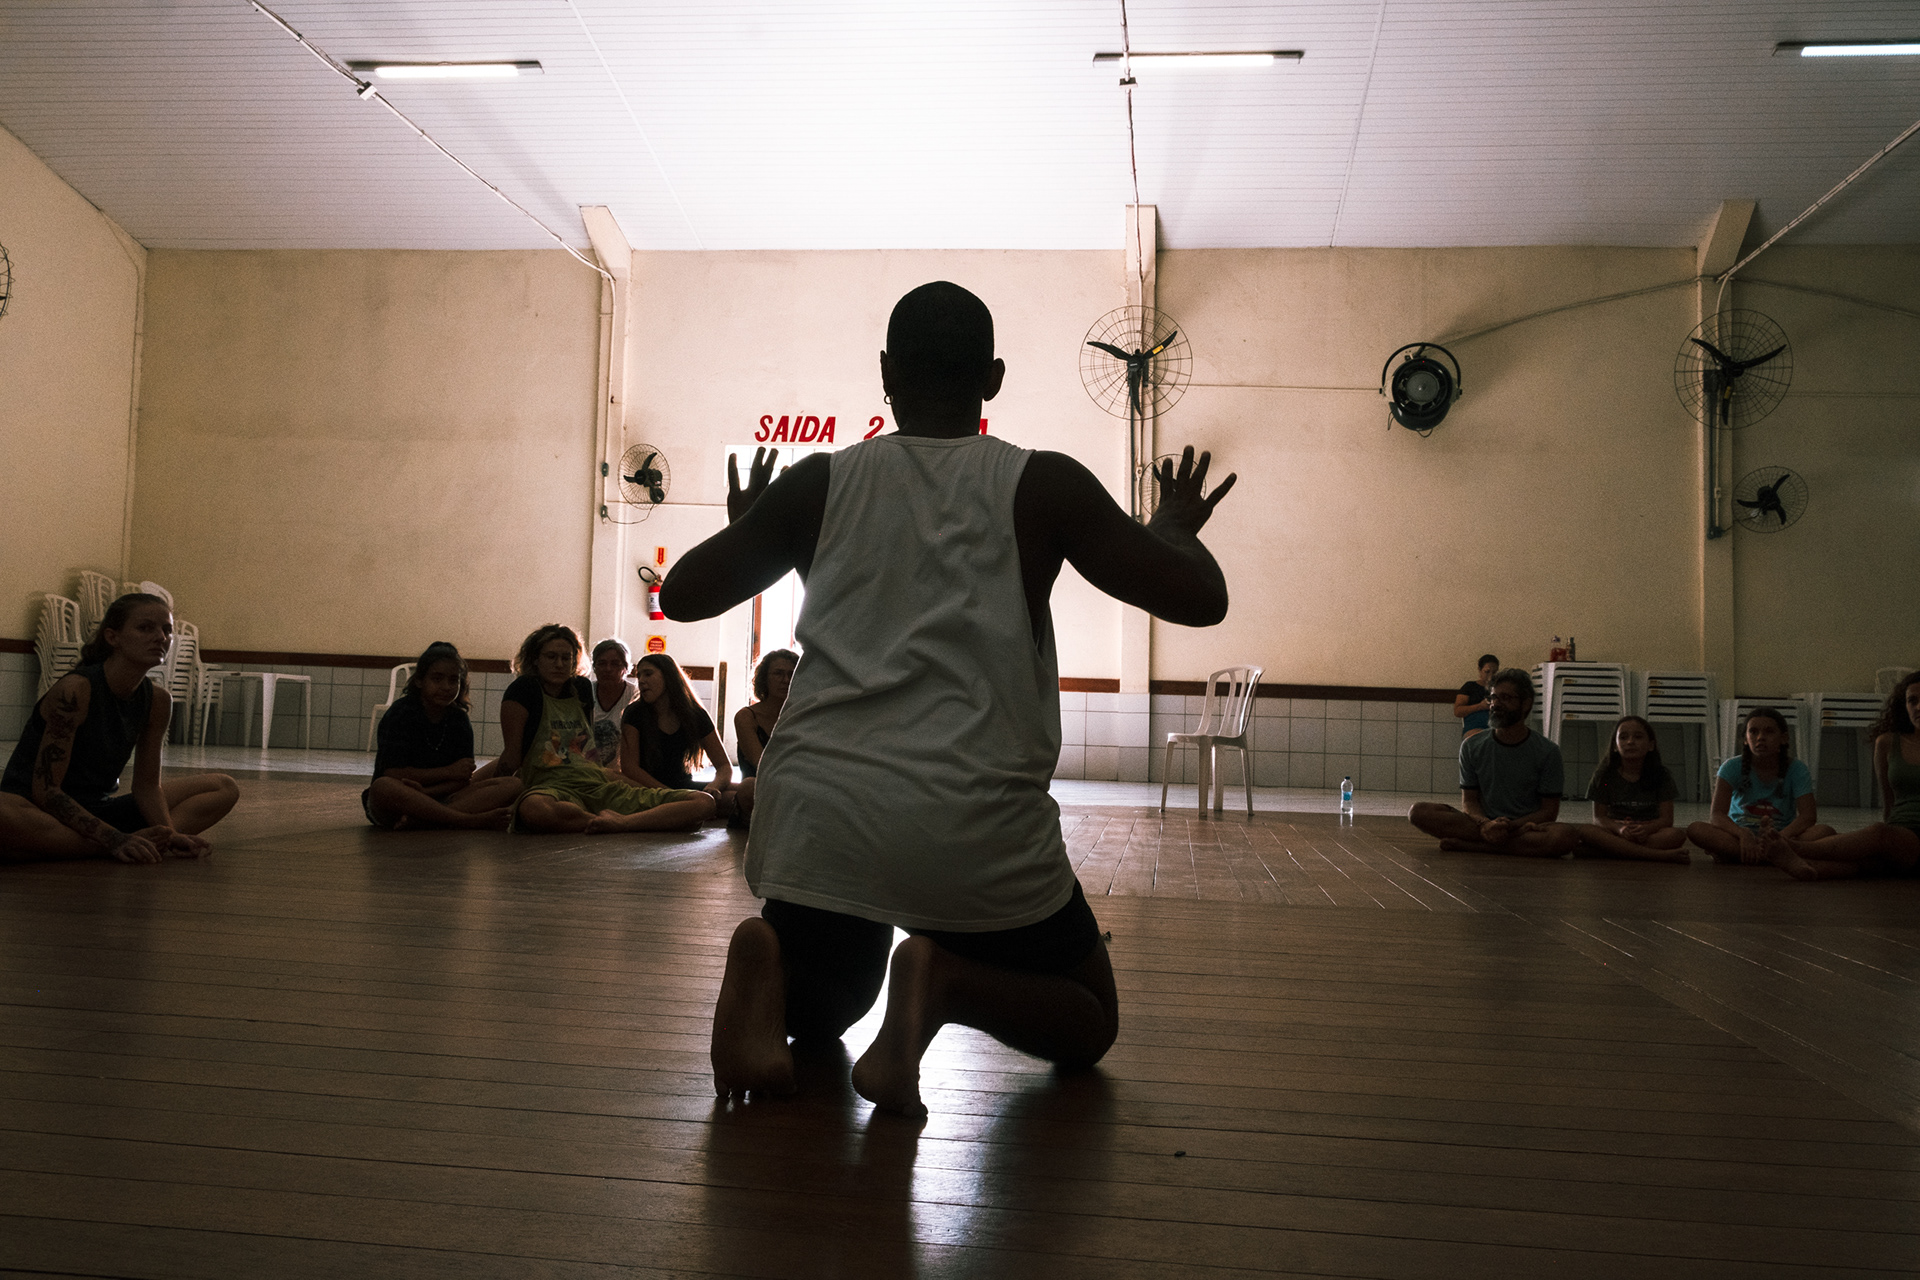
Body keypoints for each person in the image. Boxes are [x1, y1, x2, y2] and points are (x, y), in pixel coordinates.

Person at [661, 281, 1236, 1116]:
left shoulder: (820, 483)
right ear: (993, 378)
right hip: (968, 820)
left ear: (886, 373)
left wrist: (757, 524)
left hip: (822, 816)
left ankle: (767, 959)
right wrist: (1175, 527)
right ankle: (944, 982)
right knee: (1088, 1020)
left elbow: (682, 595)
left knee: (832, 1005)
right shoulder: (1043, 485)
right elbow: (1198, 599)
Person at [0, 593, 238, 864]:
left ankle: (133, 841)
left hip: (99, 810)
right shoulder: (76, 690)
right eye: (145, 628)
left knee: (223, 787)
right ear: (112, 637)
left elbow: (147, 786)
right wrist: (113, 838)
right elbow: (47, 792)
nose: (161, 637)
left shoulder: (158, 700)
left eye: (167, 630)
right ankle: (110, 845)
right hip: (36, 810)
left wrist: (170, 834)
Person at [497, 624, 715, 835]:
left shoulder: (580, 688)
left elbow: (585, 752)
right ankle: (616, 821)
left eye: (566, 658)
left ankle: (621, 823)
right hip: (552, 787)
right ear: (535, 660)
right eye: (551, 657)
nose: (560, 664)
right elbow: (511, 758)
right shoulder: (523, 690)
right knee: (534, 809)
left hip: (598, 781)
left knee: (703, 802)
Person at [1408, 667, 1581, 856]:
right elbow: (1470, 801)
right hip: (1481, 824)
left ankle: (1477, 846)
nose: (1495, 704)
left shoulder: (1548, 751)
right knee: (1418, 812)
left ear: (1526, 704)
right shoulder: (1471, 746)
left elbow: (1548, 812)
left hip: (1524, 827)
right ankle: (1502, 844)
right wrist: (1486, 824)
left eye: (1505, 698)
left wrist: (1509, 826)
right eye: (1493, 698)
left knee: (1565, 836)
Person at [1763, 674, 1920, 880]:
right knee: (1866, 862)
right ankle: (1808, 867)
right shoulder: (1888, 743)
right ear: (1904, 705)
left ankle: (1796, 848)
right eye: (1912, 701)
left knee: (1879, 833)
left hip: (1911, 838)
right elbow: (1888, 801)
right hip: (1899, 831)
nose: (1918, 707)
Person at [363, 641, 522, 830]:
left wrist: (427, 791)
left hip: (443, 796)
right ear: (420, 680)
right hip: (401, 800)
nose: (446, 687)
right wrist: (447, 772)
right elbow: (393, 773)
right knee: (382, 787)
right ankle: (466, 820)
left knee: (513, 785)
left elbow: (462, 778)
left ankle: (425, 820)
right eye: (437, 679)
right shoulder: (401, 714)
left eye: (453, 680)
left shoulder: (458, 719)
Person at [1685, 706, 1835, 864]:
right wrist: (1743, 834)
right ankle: (1771, 857)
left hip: (1782, 835)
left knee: (1824, 832)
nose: (1760, 737)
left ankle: (1745, 855)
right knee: (1696, 829)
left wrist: (1778, 838)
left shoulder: (1797, 769)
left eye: (1769, 731)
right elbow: (1717, 815)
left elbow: (1808, 816)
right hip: (1740, 835)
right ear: (1745, 739)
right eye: (1753, 731)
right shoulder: (1731, 767)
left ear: (1784, 738)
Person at [620, 652, 734, 808]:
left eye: (648, 674)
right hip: (646, 789)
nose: (641, 681)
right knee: (704, 803)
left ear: (668, 676)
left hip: (684, 787)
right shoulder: (634, 713)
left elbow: (724, 766)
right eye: (639, 676)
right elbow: (630, 768)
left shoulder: (694, 714)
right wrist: (669, 794)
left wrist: (714, 787)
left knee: (748, 788)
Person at [1572, 716, 1689, 863]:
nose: (1630, 742)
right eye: (1623, 737)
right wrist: (1619, 829)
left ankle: (1610, 850)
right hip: (1616, 831)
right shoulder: (1605, 777)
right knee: (1585, 830)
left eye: (1638, 737)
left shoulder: (1661, 776)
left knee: (1676, 835)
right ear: (1615, 745)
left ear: (1651, 745)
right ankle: (1657, 855)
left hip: (1647, 832)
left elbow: (1666, 819)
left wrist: (1646, 830)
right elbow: (1599, 817)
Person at [732, 648, 796, 817]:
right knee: (748, 787)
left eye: (791, 674)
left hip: (796, 783)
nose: (785, 680)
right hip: (760, 787)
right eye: (778, 673)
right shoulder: (746, 716)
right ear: (764, 678)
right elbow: (761, 763)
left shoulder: (801, 716)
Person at [587, 638, 638, 767]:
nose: (608, 669)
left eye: (615, 664)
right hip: (586, 770)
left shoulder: (635, 695)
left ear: (626, 668)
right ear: (594, 667)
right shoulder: (585, 692)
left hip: (622, 774)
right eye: (602, 663)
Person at [1454, 654, 1498, 740]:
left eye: (1494, 672)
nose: (1491, 676)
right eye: (1487, 671)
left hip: (1496, 727)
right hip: (1474, 727)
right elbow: (1457, 711)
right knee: (1480, 739)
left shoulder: (1499, 688)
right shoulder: (1470, 686)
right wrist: (1479, 706)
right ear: (1480, 670)